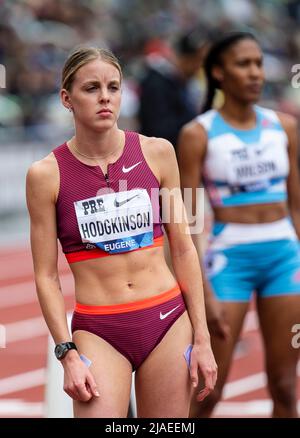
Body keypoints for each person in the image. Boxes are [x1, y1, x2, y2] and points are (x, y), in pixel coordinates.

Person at [26, 46, 217, 418]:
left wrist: (203, 336)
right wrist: (66, 353)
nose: (105, 97)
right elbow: (46, 275)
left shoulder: (159, 152)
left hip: (166, 322)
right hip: (98, 330)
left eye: (113, 87)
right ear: (67, 98)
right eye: (91, 88)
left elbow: (183, 249)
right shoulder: (45, 174)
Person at [178, 32, 300, 418]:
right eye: (243, 64)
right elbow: (185, 219)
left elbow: (297, 205)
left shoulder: (285, 127)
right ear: (218, 72)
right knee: (208, 391)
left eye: (259, 63)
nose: (255, 73)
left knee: (285, 386)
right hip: (228, 261)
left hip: (284, 257)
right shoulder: (197, 134)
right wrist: (202, 291)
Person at [138, 28, 208, 150]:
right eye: (198, 60)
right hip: (157, 158)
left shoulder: (184, 82)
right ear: (185, 58)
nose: (200, 66)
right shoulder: (157, 83)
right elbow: (158, 131)